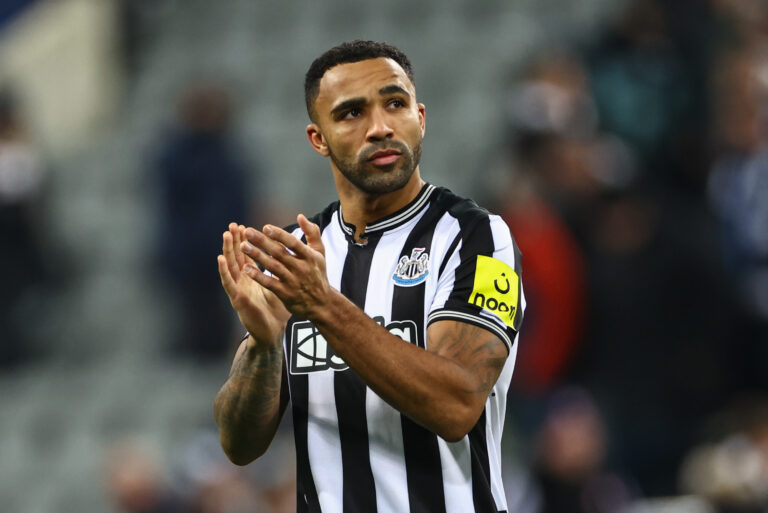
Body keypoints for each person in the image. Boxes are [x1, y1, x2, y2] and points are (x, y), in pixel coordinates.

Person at [214, 40, 525, 513]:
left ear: (420, 117)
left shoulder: (478, 238)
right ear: (318, 138)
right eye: (351, 113)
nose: (380, 128)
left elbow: (457, 404)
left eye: (394, 104)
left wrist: (322, 306)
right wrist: (263, 346)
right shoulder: (301, 258)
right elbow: (239, 445)